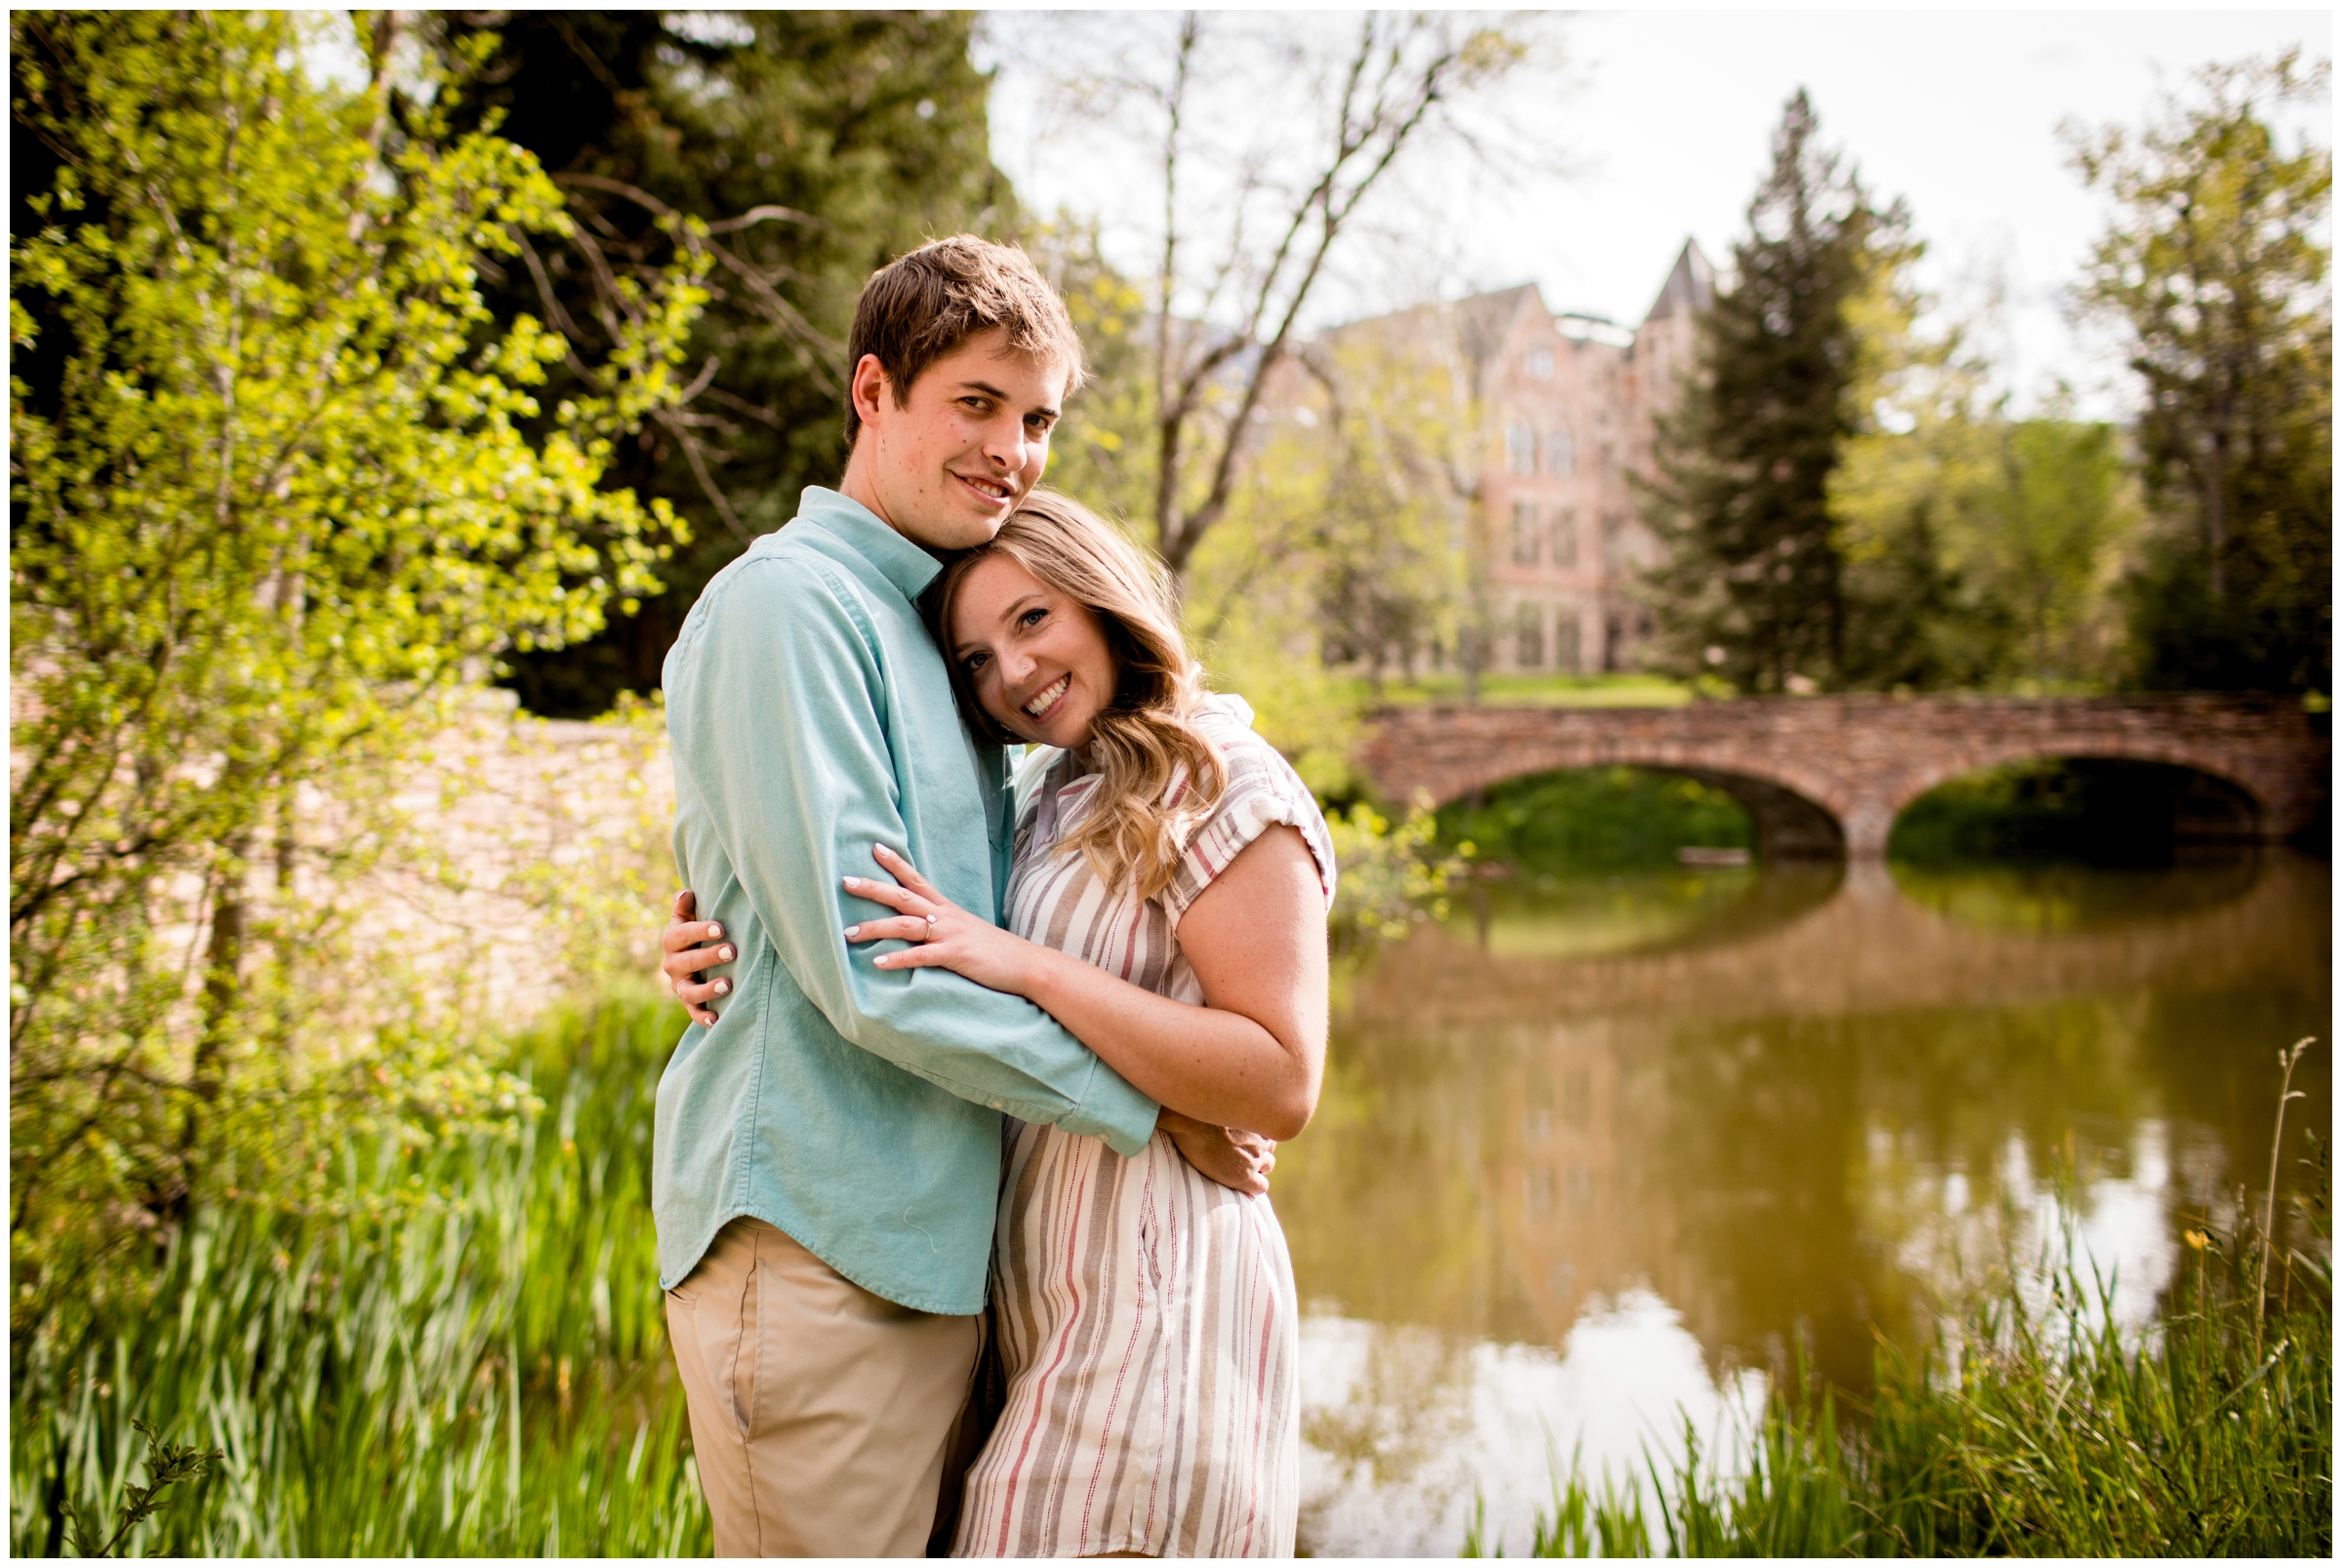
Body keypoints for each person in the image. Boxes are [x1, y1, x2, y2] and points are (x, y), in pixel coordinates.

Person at [654, 235, 1270, 1559]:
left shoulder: (940, 631)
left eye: (1038, 417)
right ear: (873, 394)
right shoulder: (791, 606)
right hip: (820, 1249)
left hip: (946, 1261)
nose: (1014, 448)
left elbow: (880, 891)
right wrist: (1153, 1106)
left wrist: (723, 926)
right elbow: (877, 966)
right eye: (978, 405)